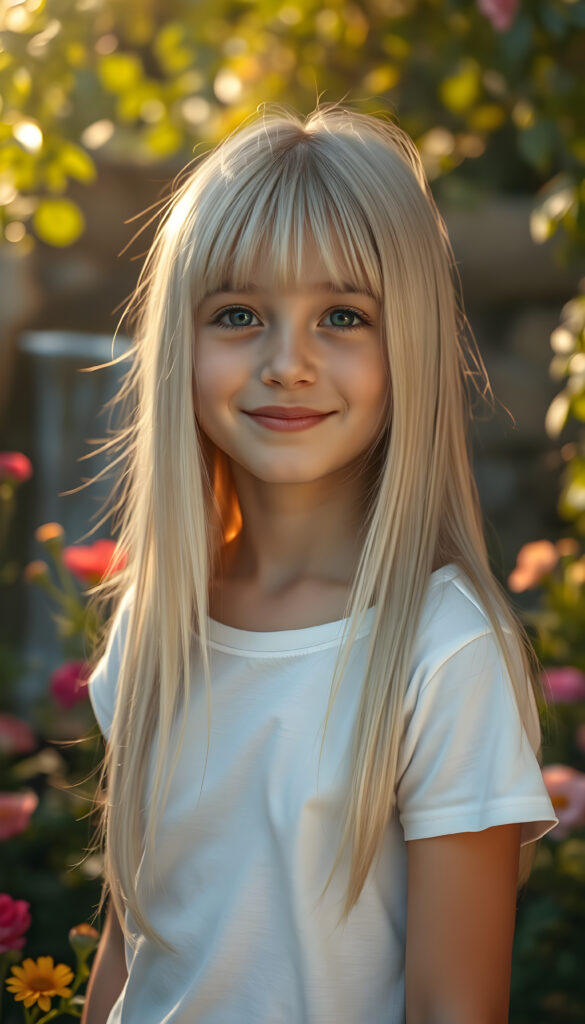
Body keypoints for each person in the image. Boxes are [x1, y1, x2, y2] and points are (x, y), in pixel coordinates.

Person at [81, 103, 558, 1024]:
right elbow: (133, 951)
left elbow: (454, 1009)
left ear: (408, 344)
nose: (286, 363)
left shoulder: (442, 652)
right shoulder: (155, 620)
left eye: (342, 314)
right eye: (238, 314)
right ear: (179, 342)